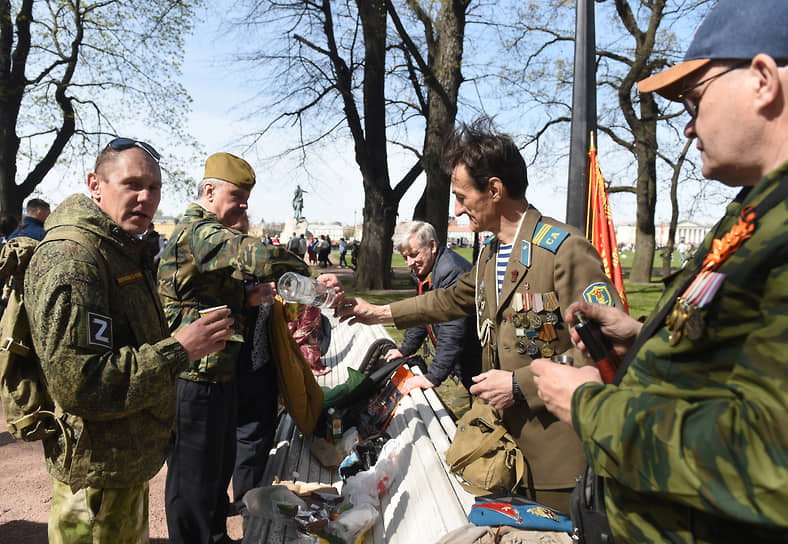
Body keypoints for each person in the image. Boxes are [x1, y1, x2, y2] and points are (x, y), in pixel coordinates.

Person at [531, 2, 788, 541]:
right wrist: (642, 339)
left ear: (763, 80)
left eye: (696, 100)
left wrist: (589, 408)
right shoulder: (760, 211)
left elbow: (771, 459)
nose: (690, 127)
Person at [338, 118, 621, 511]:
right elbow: (449, 299)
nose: (456, 207)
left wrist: (521, 384)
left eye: (461, 195)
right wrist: (378, 311)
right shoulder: (490, 252)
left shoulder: (564, 250)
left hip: (556, 460)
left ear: (494, 189)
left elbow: (605, 351)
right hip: (501, 448)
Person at [24, 138, 233, 543]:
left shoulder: (119, 248)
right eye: (132, 184)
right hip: (94, 481)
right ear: (95, 184)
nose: (145, 197)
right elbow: (79, 383)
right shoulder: (74, 258)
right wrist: (179, 350)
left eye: (153, 187)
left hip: (121, 465)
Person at [157, 152, 312, 544]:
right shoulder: (199, 231)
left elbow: (207, 295)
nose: (244, 205)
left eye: (247, 198)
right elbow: (256, 255)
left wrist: (248, 298)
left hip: (218, 372)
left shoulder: (210, 232)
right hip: (194, 376)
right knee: (193, 476)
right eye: (238, 196)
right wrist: (309, 272)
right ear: (209, 190)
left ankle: (214, 535)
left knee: (216, 468)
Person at [384, 221, 481, 392]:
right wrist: (405, 349)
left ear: (432, 246)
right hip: (462, 360)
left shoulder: (451, 271)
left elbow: (452, 329)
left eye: (414, 255)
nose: (409, 263)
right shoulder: (427, 271)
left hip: (476, 361)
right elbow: (424, 312)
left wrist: (433, 376)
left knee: (482, 411)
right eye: (405, 257)